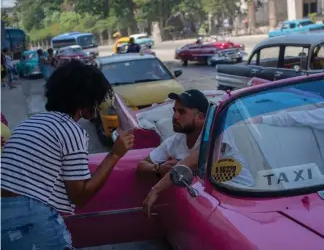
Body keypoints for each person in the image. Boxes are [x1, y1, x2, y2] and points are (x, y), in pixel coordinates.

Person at [1, 60, 135, 249]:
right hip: (30, 218)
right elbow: (80, 196)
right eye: (96, 100)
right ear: (85, 101)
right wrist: (114, 155)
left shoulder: (30, 122)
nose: (97, 106)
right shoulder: (71, 131)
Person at [138, 89, 254, 216]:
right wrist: (158, 168)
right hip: (214, 202)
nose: (175, 116)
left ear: (200, 118)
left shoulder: (218, 134)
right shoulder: (174, 141)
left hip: (245, 198)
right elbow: (141, 165)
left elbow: (191, 161)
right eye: (174, 110)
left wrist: (155, 190)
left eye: (182, 112)